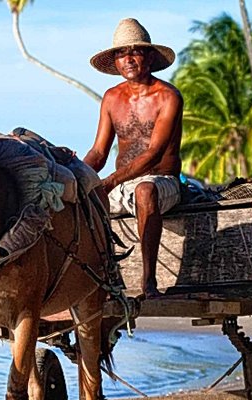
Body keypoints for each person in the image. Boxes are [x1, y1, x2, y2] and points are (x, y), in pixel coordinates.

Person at [83, 18, 183, 299]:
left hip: (162, 183)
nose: (127, 59)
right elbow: (99, 153)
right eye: (120, 53)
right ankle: (92, 280)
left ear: (149, 57)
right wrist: (76, 173)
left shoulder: (168, 96)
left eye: (134, 52)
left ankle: (148, 282)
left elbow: (153, 155)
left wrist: (111, 181)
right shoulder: (111, 98)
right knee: (78, 199)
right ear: (114, 62)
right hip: (121, 187)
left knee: (144, 190)